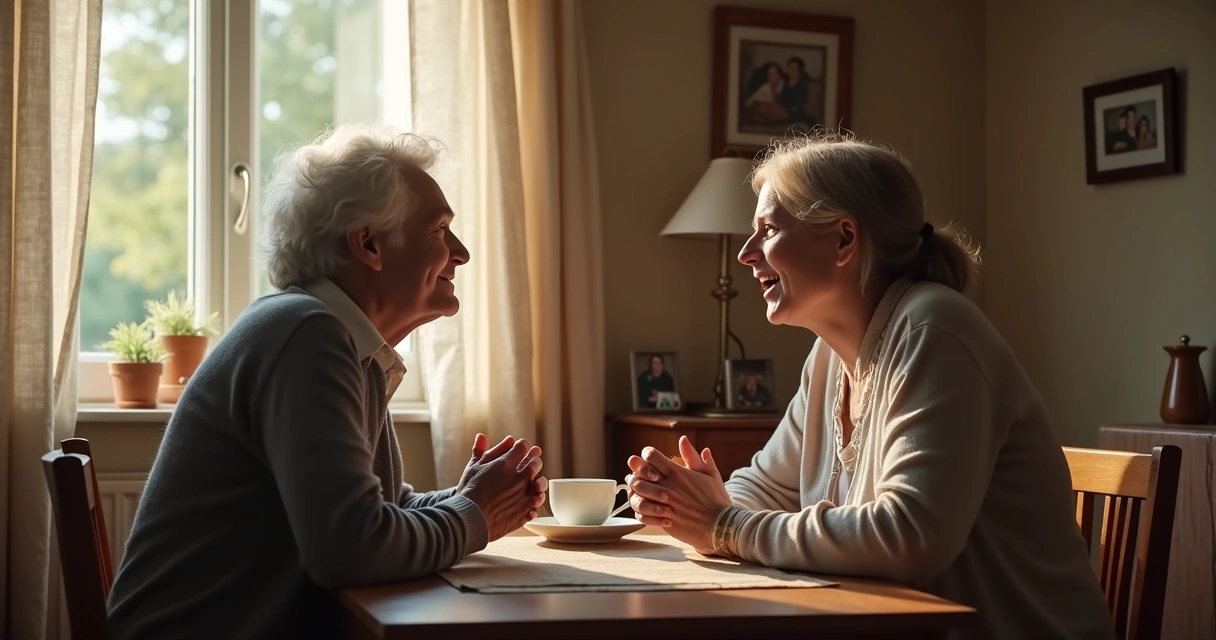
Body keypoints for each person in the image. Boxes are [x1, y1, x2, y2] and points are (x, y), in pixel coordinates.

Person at [625, 132, 1116, 640]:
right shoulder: (830, 357)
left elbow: (909, 536)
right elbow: (768, 485)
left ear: (843, 239)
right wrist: (695, 501)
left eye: (768, 229)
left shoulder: (935, 331)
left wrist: (724, 525)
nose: (747, 254)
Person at [107, 124, 548, 639]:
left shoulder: (339, 339)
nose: (461, 252)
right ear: (368, 243)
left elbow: (380, 508)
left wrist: (471, 495)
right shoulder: (307, 336)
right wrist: (475, 513)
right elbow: (352, 549)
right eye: (439, 229)